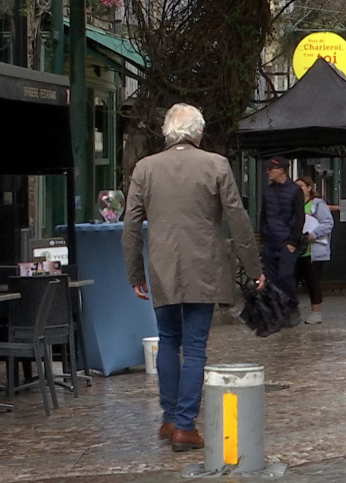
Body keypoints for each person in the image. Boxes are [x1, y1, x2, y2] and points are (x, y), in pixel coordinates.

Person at [122, 103, 265, 452]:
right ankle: (186, 425)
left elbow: (130, 226)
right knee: (196, 345)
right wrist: (253, 267)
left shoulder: (145, 168)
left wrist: (134, 273)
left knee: (168, 341)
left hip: (161, 266)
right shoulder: (216, 164)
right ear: (198, 133)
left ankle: (170, 419)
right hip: (204, 265)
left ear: (167, 133)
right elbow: (237, 218)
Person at [260, 156, 305, 326]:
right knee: (272, 278)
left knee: (286, 276)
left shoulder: (294, 191)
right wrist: (264, 238)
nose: (268, 172)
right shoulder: (268, 191)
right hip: (271, 242)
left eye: (271, 169)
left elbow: (299, 217)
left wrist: (293, 242)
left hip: (286, 242)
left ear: (281, 170)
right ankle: (279, 312)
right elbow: (263, 215)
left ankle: (291, 306)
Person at [294, 176, 334, 325]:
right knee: (293, 280)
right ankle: (291, 310)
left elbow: (328, 223)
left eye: (301, 186)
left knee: (312, 281)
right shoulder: (294, 204)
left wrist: (314, 234)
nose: (298, 189)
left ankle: (316, 312)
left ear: (309, 187)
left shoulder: (317, 204)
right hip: (298, 248)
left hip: (314, 250)